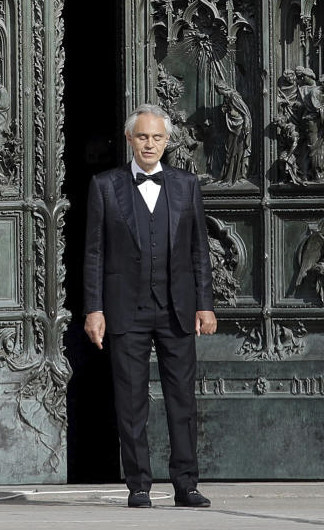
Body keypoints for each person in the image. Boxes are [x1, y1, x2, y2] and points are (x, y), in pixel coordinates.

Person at [83, 104, 217, 509]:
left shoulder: (186, 185)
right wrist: (94, 308)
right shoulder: (105, 186)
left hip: (177, 308)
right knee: (131, 402)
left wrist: (205, 304)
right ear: (129, 139)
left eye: (157, 137)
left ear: (167, 141)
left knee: (183, 400)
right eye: (142, 136)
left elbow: (199, 251)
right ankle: (138, 485)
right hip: (126, 310)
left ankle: (186, 484)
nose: (150, 144)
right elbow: (94, 253)